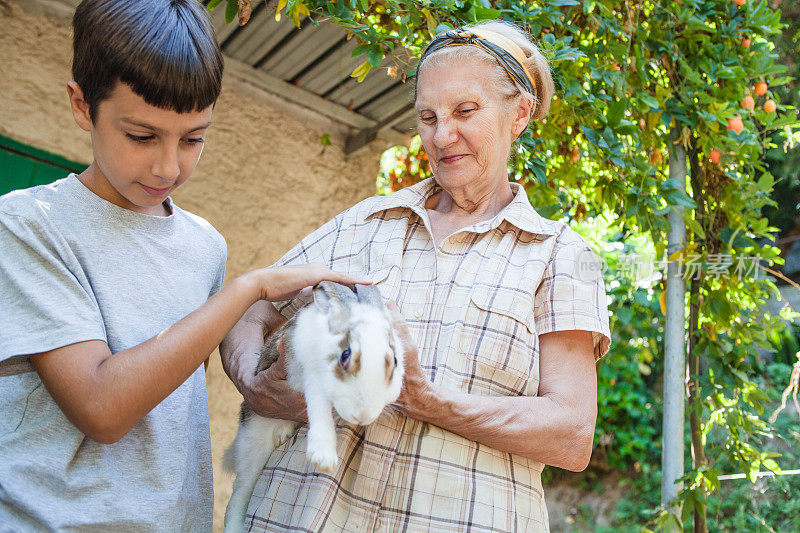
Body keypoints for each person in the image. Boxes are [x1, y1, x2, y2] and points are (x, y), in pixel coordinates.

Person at [221, 20, 611, 532]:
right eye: (428, 116)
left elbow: (571, 432)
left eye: (465, 112)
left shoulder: (558, 253)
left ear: (518, 114)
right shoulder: (366, 222)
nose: (441, 135)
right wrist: (253, 380)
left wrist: (428, 402)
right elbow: (250, 307)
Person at [0, 1, 363, 531]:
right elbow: (102, 408)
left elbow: (188, 360)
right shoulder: (29, 226)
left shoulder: (204, 245)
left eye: (194, 138)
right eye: (142, 137)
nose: (169, 166)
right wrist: (248, 289)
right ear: (82, 107)